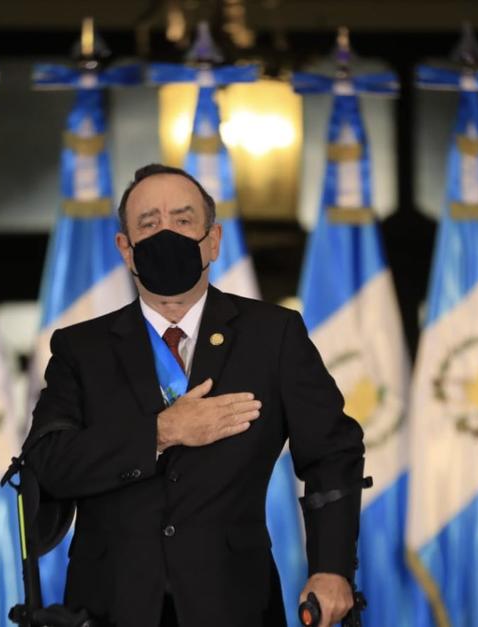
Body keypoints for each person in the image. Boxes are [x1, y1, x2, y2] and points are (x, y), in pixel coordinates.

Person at [22, 163, 366, 627]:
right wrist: (160, 433)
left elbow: (332, 453)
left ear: (214, 240)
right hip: (109, 608)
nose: (167, 233)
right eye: (149, 224)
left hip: (235, 603)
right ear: (126, 249)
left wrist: (331, 568)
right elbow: (48, 466)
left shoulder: (273, 336)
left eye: (183, 221)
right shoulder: (80, 349)